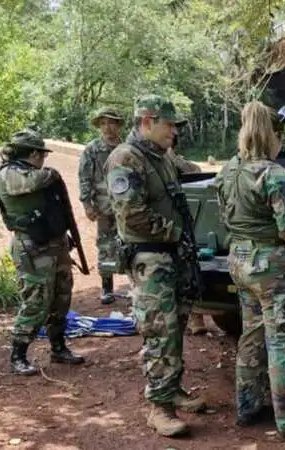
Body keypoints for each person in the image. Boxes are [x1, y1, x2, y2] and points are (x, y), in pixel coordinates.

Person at [220, 101, 285, 440]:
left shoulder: (229, 169)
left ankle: (248, 406)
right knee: (284, 340)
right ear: (274, 136)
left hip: (240, 260)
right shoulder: (274, 174)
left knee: (251, 335)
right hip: (273, 269)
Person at [105, 95, 207, 437]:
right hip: (150, 258)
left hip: (172, 255)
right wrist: (175, 233)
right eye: (169, 125)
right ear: (147, 121)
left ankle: (172, 389)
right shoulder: (126, 158)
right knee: (159, 331)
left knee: (175, 326)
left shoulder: (160, 157)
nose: (174, 132)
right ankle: (159, 408)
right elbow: (131, 213)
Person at [0, 129, 85, 376]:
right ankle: (18, 355)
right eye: (42, 154)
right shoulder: (9, 173)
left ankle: (58, 347)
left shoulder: (35, 173)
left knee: (61, 297)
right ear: (33, 154)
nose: (44, 159)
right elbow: (31, 182)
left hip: (55, 244)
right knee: (36, 301)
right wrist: (51, 174)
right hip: (32, 248)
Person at [79, 107, 125, 305]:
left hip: (128, 206)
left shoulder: (126, 148)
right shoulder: (92, 149)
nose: (107, 127)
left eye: (111, 122)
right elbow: (84, 178)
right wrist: (87, 205)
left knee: (132, 243)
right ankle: (107, 288)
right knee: (106, 246)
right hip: (104, 206)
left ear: (118, 125)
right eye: (103, 123)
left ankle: (136, 285)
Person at [165, 135, 209, 336]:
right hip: (164, 225)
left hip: (183, 221)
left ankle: (196, 317)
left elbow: (195, 172)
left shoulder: (178, 163)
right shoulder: (152, 163)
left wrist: (174, 159)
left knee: (189, 270)